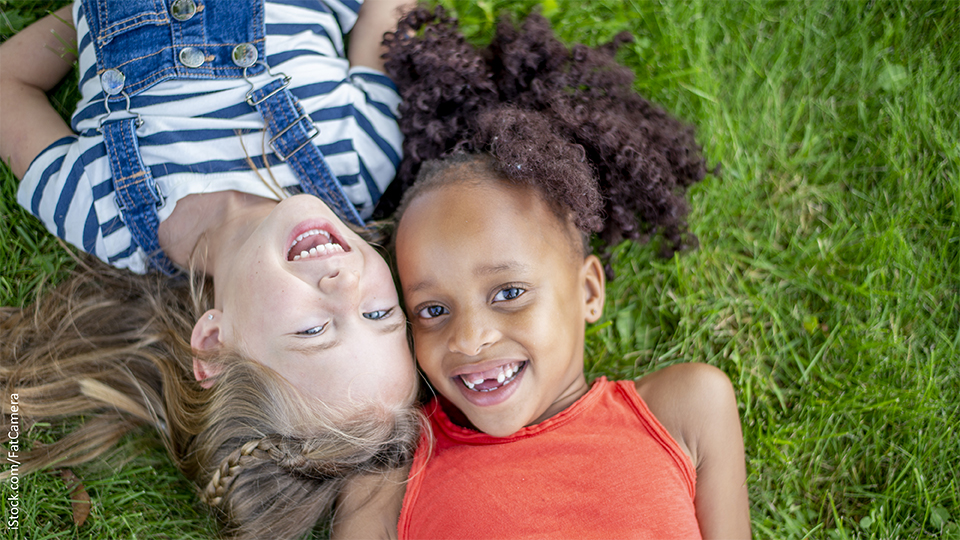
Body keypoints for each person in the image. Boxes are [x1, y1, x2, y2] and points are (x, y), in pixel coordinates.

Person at [0, 1, 421, 538]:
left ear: (215, 344)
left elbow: (8, 84)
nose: (345, 287)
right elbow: (384, 13)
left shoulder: (104, 215)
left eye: (315, 330)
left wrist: (87, 13)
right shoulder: (360, 159)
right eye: (380, 312)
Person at [339, 8, 751, 538]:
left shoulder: (686, 407)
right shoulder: (389, 467)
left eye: (509, 292)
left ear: (588, 290)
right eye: (434, 310)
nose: (469, 338)